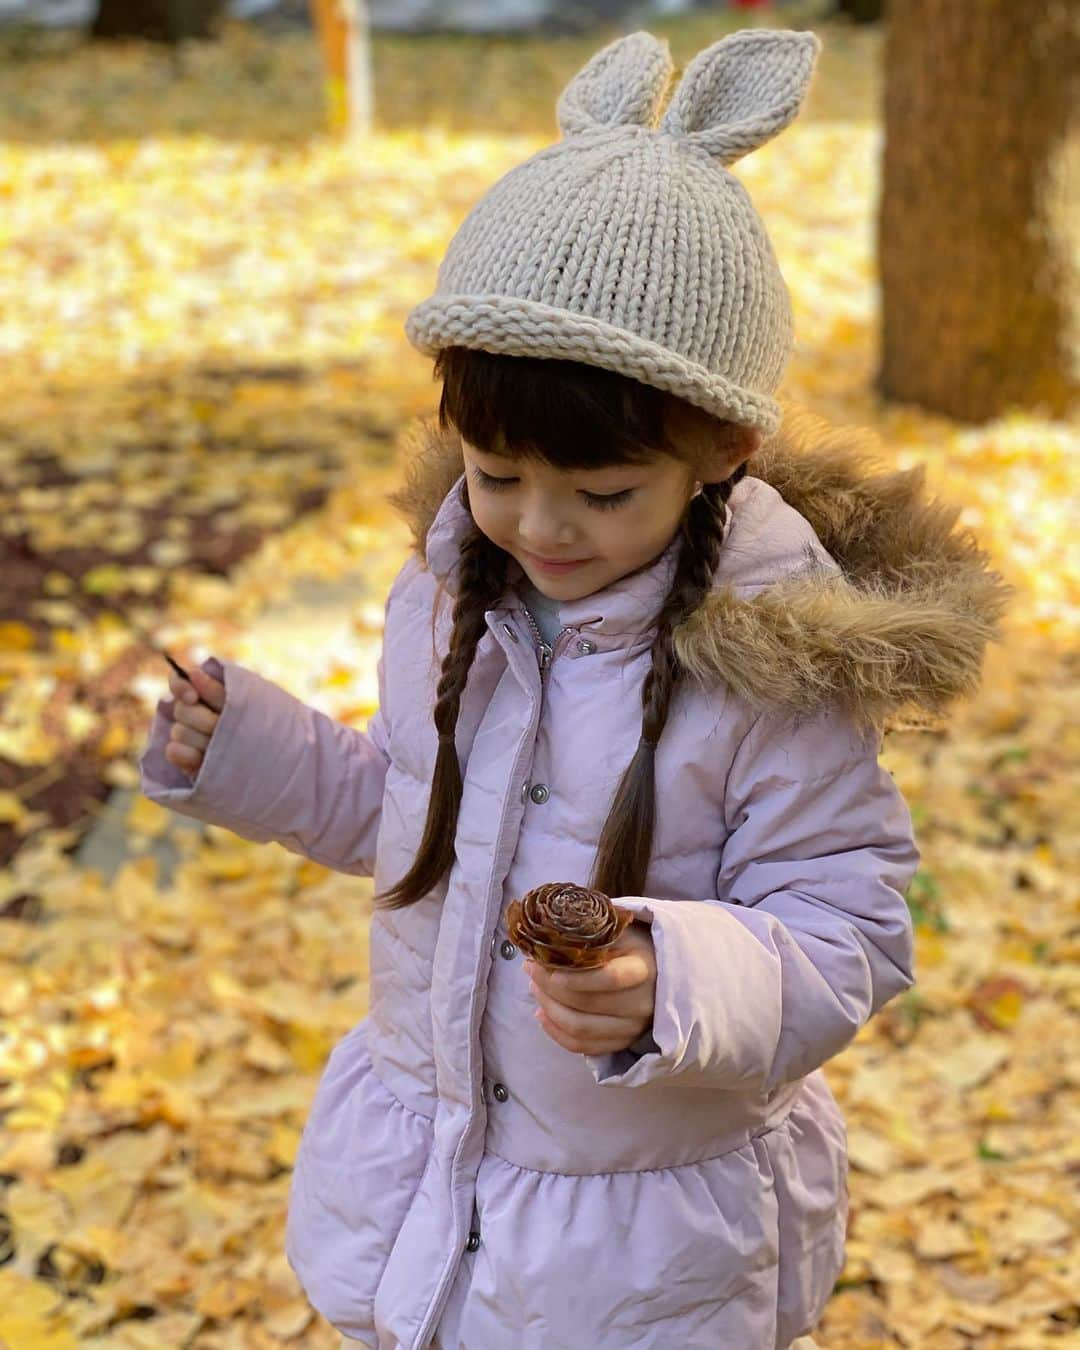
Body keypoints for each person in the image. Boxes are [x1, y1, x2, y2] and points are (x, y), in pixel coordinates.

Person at [138, 27, 1010, 1350]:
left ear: (723, 446)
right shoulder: (451, 594)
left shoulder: (769, 663)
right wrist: (245, 748)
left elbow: (852, 925)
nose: (539, 527)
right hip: (432, 1185)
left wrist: (673, 975)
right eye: (495, 474)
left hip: (645, 1248)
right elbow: (413, 817)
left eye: (602, 493)